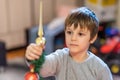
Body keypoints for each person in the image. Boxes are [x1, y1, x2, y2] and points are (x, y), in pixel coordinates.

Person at [25, 7, 113, 80]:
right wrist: (33, 55)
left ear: (92, 38)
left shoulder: (100, 69)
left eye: (80, 34)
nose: (73, 38)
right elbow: (42, 69)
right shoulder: (60, 57)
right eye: (69, 32)